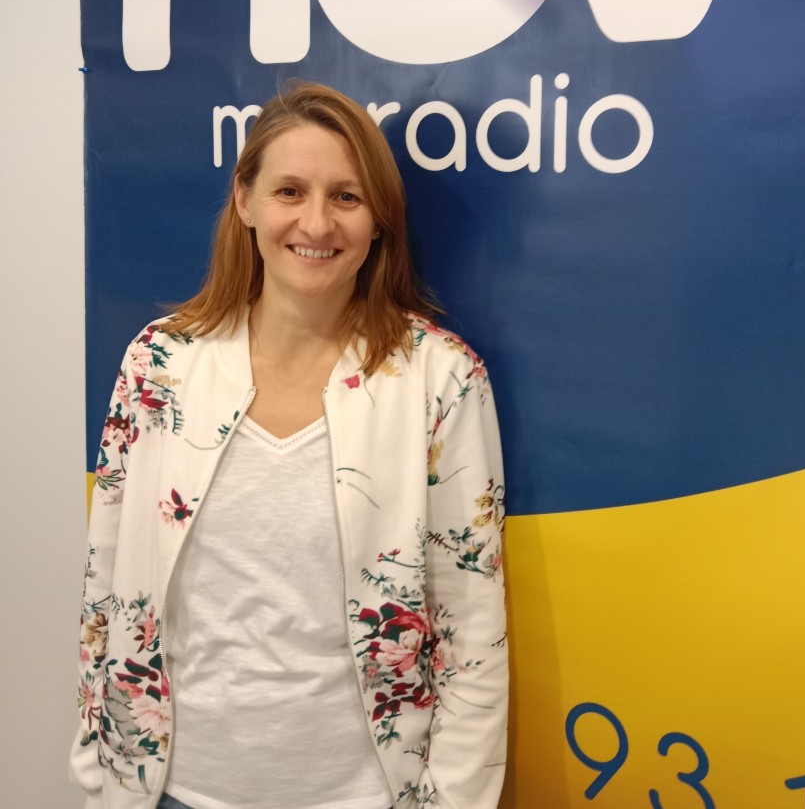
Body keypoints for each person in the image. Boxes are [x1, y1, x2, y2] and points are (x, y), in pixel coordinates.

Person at [72, 81, 507, 809]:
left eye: (346, 196)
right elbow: (105, 580)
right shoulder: (158, 363)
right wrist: (98, 770)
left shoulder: (441, 379)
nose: (316, 222)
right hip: (171, 789)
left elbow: (472, 622)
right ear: (244, 200)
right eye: (289, 191)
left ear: (379, 220)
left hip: (366, 795)